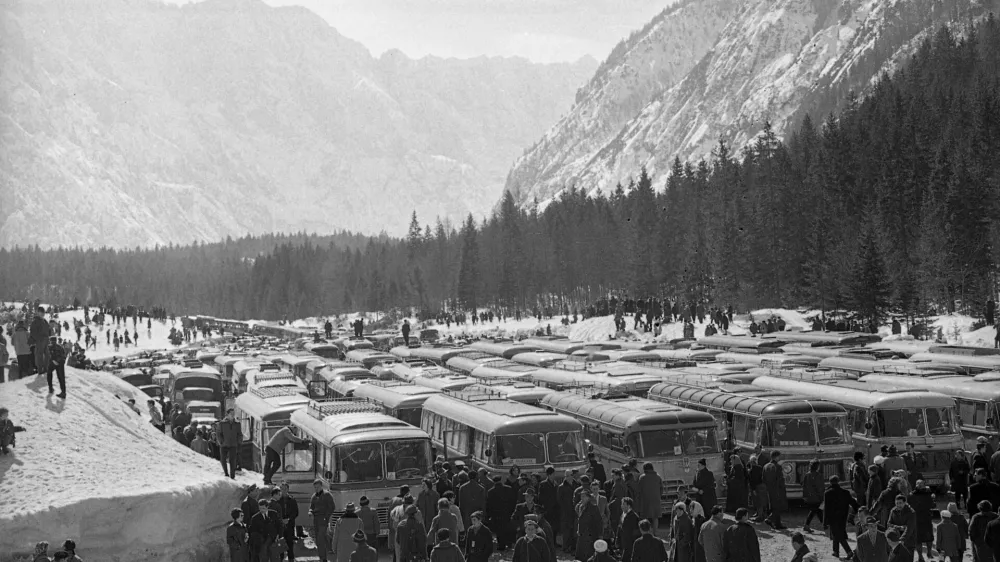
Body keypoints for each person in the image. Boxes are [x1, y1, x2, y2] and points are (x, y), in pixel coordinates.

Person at [824, 475, 858, 560]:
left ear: (830, 482)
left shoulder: (828, 493)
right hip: (843, 517)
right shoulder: (845, 492)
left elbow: (826, 509)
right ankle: (836, 551)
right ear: (838, 481)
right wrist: (859, 509)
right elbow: (853, 502)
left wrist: (825, 522)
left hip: (833, 518)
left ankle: (849, 552)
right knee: (837, 533)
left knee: (838, 535)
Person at [309, 479, 336, 562]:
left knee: (320, 539)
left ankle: (323, 558)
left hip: (323, 519)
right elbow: (311, 506)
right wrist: (310, 511)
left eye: (317, 487)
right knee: (319, 538)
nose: (316, 489)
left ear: (321, 486)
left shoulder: (327, 495)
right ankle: (329, 551)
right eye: (315, 487)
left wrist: (326, 517)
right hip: (316, 520)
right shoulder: (314, 496)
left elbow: (332, 507)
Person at [762, 450, 788, 529]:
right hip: (777, 490)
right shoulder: (778, 467)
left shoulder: (765, 466)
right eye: (779, 456)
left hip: (769, 490)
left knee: (774, 507)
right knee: (778, 507)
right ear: (776, 457)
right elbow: (780, 480)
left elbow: (763, 479)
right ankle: (769, 519)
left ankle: (777, 524)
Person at [575, 489, 603, 562]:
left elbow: (599, 522)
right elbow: (580, 520)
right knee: (580, 556)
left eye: (584, 496)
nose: (582, 498)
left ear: (588, 497)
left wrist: (600, 535)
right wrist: (578, 529)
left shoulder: (593, 507)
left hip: (590, 536)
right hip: (582, 535)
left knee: (589, 557)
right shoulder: (580, 507)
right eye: (581, 496)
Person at [217, 408, 242, 480]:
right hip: (224, 444)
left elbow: (239, 434)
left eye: (233, 413)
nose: (233, 415)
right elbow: (218, 433)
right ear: (227, 415)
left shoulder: (237, 424)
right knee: (223, 459)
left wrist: (239, 442)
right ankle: (226, 473)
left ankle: (232, 475)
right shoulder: (222, 423)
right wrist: (221, 441)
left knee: (233, 460)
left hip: (233, 444)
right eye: (231, 413)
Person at [276, 483, 300, 561]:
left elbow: (296, 512)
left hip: (290, 525)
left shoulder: (292, 500)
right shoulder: (277, 500)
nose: (284, 491)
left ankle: (291, 559)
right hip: (280, 526)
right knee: (281, 545)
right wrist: (281, 520)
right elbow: (274, 513)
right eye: (282, 489)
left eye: (285, 489)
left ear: (288, 489)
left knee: (290, 544)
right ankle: (281, 559)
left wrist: (288, 519)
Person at [637, 463, 662, 532]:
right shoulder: (658, 476)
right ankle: (655, 533)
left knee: (645, 517)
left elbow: (639, 490)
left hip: (645, 500)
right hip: (656, 500)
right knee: (655, 517)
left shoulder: (642, 477)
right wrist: (658, 496)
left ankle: (647, 532)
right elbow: (661, 489)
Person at [801, 460, 824, 533]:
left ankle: (807, 526)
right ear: (817, 467)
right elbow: (820, 487)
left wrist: (805, 496)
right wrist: (822, 497)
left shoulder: (807, 474)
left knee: (815, 511)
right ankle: (825, 526)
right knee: (817, 511)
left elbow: (804, 486)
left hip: (809, 497)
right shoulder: (818, 475)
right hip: (817, 497)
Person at [557, 470, 577, 552]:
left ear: (572, 475)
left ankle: (573, 547)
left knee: (574, 530)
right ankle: (565, 547)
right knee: (566, 530)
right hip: (565, 512)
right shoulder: (561, 487)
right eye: (566, 476)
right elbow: (559, 500)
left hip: (575, 511)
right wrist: (564, 508)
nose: (568, 477)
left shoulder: (577, 485)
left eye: (570, 475)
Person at [619, 496, 642, 562]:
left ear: (629, 506)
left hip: (630, 545)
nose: (621, 506)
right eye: (621, 504)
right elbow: (620, 527)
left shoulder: (634, 516)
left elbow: (636, 533)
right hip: (624, 544)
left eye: (623, 504)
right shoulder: (623, 515)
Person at [747, 455, 768, 522]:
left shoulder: (752, 470)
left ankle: (760, 516)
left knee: (758, 502)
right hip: (762, 485)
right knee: (762, 501)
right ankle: (761, 514)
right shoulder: (760, 467)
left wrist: (753, 490)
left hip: (756, 487)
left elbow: (752, 481)